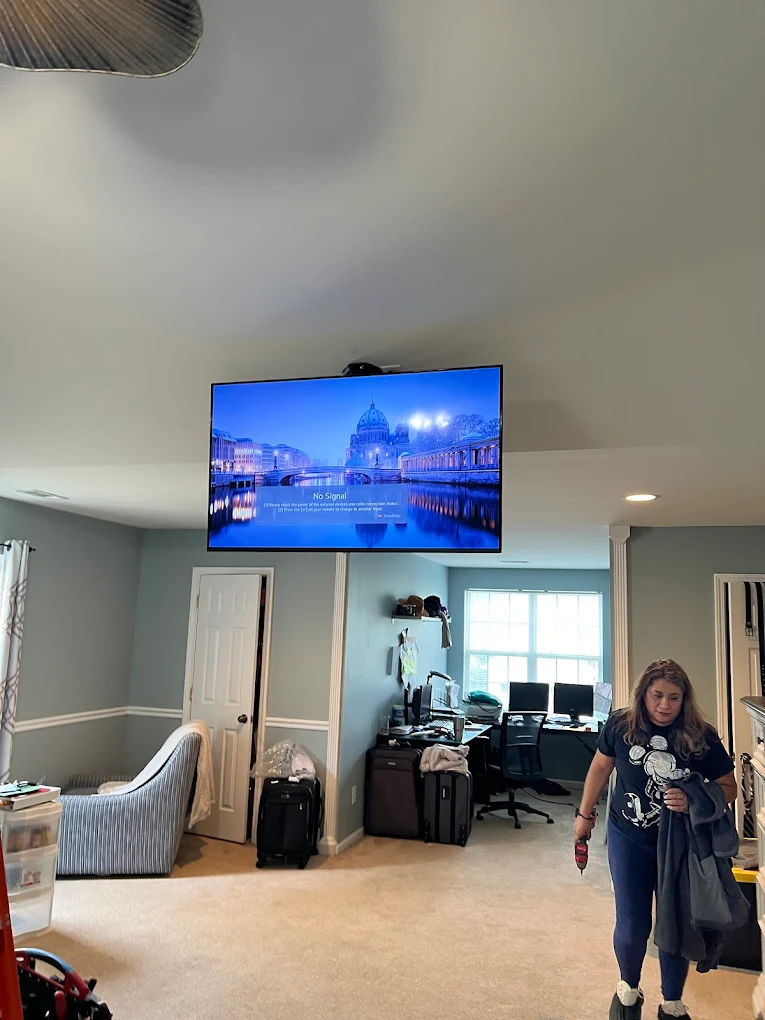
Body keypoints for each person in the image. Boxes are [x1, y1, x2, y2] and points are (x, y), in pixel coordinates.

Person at [575, 659, 736, 1020]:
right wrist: (584, 816)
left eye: (674, 698)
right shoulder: (620, 725)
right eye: (657, 695)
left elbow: (730, 787)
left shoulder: (701, 736)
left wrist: (695, 797)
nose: (664, 705)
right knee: (632, 926)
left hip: (679, 846)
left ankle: (673, 1003)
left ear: (684, 699)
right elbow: (602, 766)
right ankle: (627, 992)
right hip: (627, 836)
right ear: (644, 694)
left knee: (674, 925)